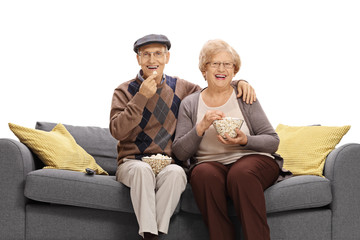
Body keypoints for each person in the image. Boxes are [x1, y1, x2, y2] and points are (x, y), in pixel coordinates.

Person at [109, 34, 256, 240]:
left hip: (169, 164)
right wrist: (141, 97)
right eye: (146, 55)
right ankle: (150, 235)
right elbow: (117, 131)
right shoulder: (124, 91)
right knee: (142, 171)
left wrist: (240, 81)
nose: (153, 60)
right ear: (138, 59)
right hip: (132, 162)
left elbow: (214, 86)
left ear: (167, 58)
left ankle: (153, 234)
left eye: (158, 54)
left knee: (177, 174)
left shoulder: (182, 88)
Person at [172, 39, 284, 240]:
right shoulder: (190, 104)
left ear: (234, 71)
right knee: (203, 174)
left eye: (227, 64)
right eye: (214, 63)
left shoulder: (244, 96)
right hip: (211, 164)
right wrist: (201, 126)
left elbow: (272, 141)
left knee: (240, 174)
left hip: (254, 160)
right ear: (204, 69)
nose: (221, 68)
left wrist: (244, 140)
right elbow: (180, 152)